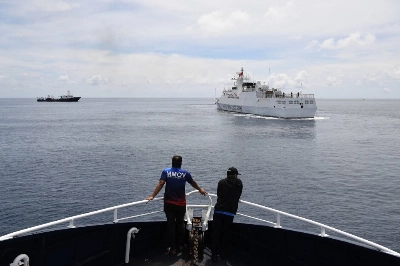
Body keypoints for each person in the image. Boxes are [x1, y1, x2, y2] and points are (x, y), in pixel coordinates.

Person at [146, 155, 207, 254]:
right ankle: (181, 245)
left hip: (169, 203)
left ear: (172, 162)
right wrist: (200, 189)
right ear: (181, 163)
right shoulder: (185, 173)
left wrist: (152, 195)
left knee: (171, 225)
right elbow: (193, 182)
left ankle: (173, 248)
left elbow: (161, 183)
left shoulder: (166, 171)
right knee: (180, 224)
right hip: (181, 204)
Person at [211, 167, 243, 262]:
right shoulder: (239, 183)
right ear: (235, 175)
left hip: (219, 210)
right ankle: (224, 253)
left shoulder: (221, 182)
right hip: (230, 212)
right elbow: (238, 194)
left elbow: (219, 194)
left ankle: (214, 254)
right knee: (226, 233)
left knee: (216, 233)